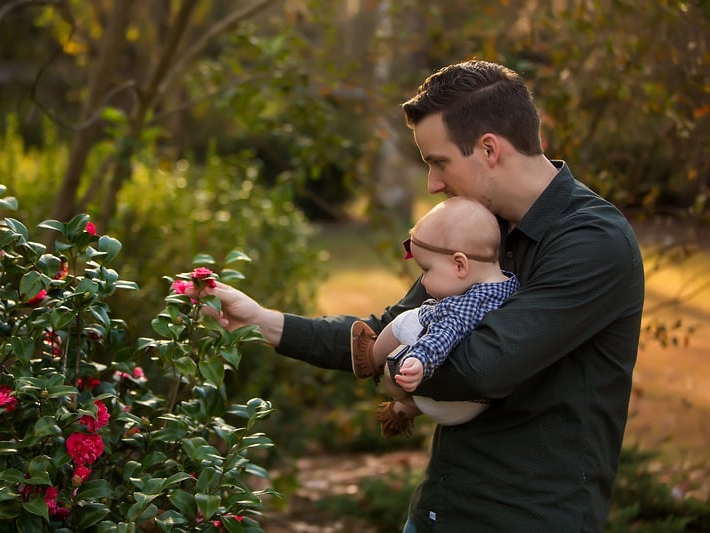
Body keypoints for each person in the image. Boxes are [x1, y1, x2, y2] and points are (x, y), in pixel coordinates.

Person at [196, 60, 645, 532]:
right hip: (436, 512)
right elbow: (389, 327)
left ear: (489, 149)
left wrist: (392, 365)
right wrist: (262, 322)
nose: (432, 184)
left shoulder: (592, 242)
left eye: (439, 162)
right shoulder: (479, 230)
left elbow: (477, 369)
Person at [349, 197, 519, 438]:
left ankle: (371, 357)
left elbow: (443, 335)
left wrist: (419, 360)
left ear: (460, 265)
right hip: (481, 403)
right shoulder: (511, 285)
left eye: (426, 270)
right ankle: (403, 410)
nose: (424, 281)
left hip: (447, 401)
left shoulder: (461, 308)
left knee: (409, 319)